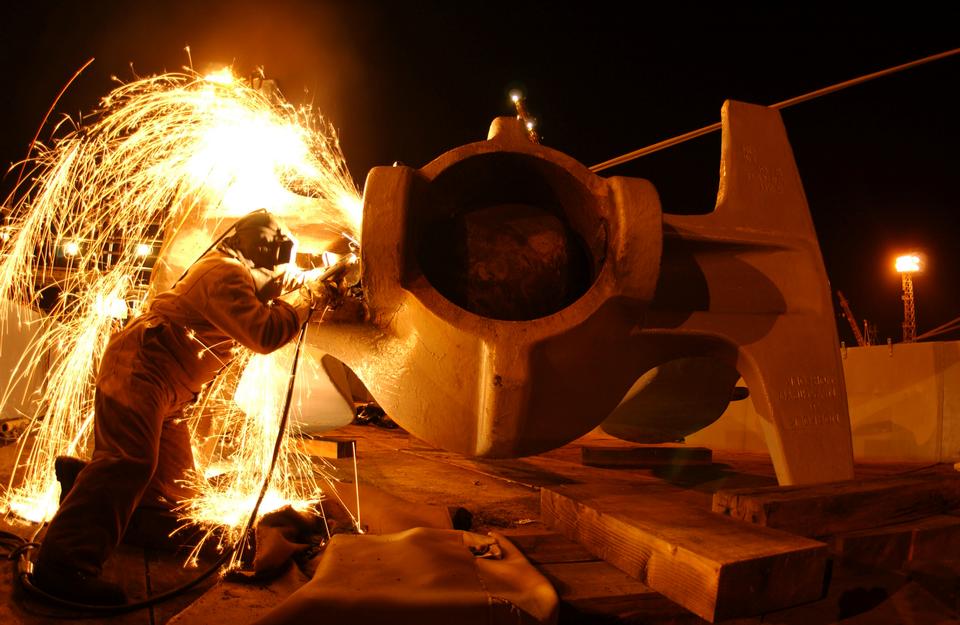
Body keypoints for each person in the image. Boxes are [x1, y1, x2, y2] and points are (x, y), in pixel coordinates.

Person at [31, 210, 322, 605]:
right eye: (280, 257)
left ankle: (82, 485)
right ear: (259, 250)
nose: (281, 269)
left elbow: (270, 296)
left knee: (177, 495)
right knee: (129, 463)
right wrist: (307, 298)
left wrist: (311, 280)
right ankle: (62, 567)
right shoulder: (224, 272)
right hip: (140, 372)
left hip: (168, 391)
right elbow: (266, 333)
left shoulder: (235, 274)